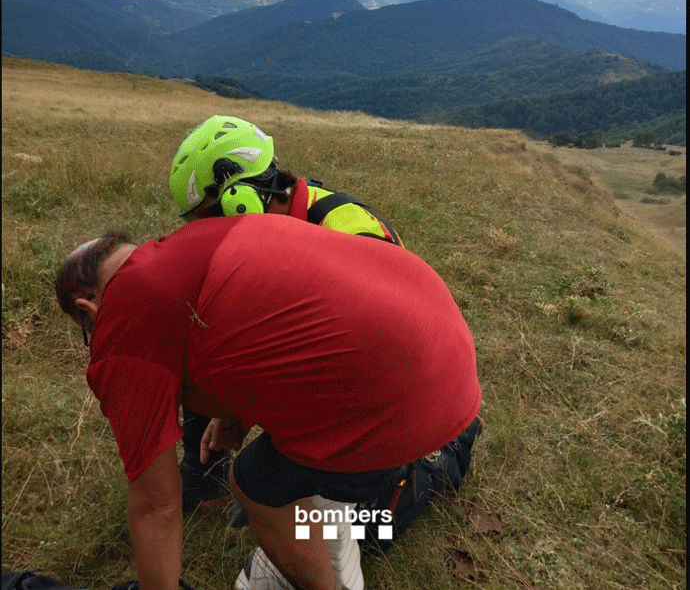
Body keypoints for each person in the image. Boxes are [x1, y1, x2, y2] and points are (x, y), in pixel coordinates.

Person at [55, 216, 482, 590]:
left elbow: (156, 506)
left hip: (407, 396)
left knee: (255, 479)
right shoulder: (198, 237)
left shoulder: (122, 319)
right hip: (444, 343)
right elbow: (268, 321)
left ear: (87, 307)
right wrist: (233, 410)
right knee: (318, 490)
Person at [169, 116, 402, 511]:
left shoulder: (347, 228)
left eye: (208, 221)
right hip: (331, 369)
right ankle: (205, 474)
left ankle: (443, 455)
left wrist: (250, 404)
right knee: (204, 330)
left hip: (378, 389)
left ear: (239, 199)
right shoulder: (272, 231)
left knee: (367, 531)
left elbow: (373, 348)